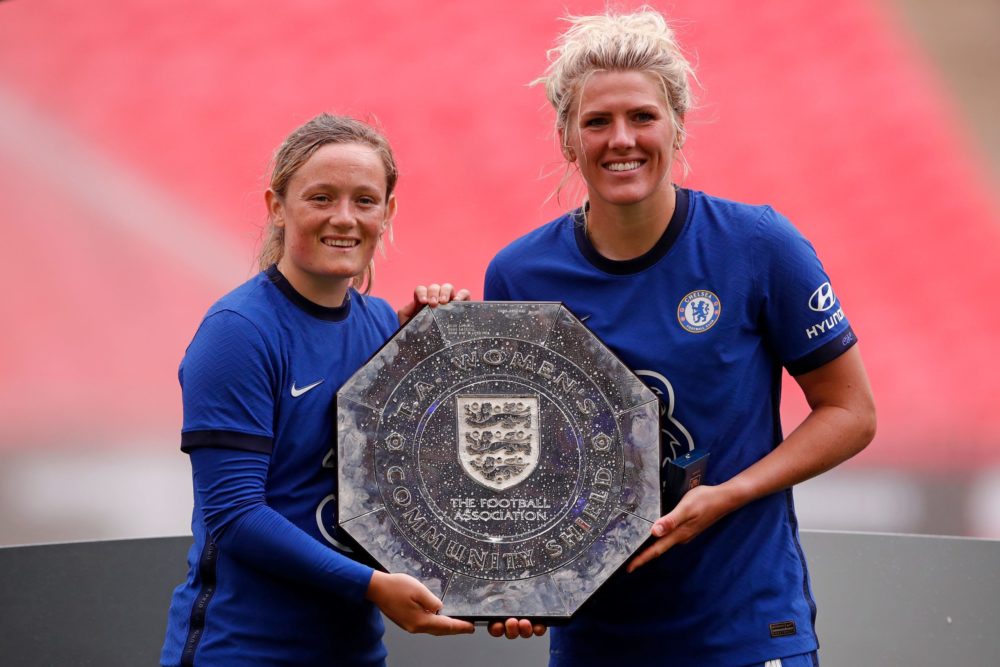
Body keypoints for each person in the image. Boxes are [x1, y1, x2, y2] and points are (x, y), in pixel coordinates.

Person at [484, 8, 876, 666]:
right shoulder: (518, 274)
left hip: (745, 632)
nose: (622, 139)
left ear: (678, 122)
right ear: (566, 138)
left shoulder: (757, 245)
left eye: (642, 116)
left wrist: (731, 493)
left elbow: (852, 411)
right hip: (596, 643)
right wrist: (514, 584)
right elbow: (518, 468)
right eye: (597, 121)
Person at [161, 113, 474, 667]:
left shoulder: (381, 325)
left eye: (365, 200)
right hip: (245, 652)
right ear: (276, 207)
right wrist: (372, 587)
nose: (345, 219)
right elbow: (235, 515)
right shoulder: (239, 331)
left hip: (353, 650)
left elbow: (410, 481)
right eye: (321, 198)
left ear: (389, 212)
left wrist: (438, 356)